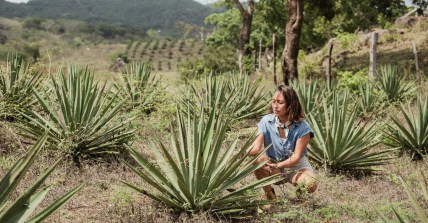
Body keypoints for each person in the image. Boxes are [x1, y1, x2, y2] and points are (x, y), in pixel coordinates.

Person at [248, 84, 317, 200]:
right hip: (273, 164)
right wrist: (242, 152)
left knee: (310, 184)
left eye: (280, 102)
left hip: (296, 166)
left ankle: (301, 195)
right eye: (273, 101)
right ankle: (269, 195)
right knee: (258, 159)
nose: (275, 106)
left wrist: (278, 165)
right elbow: (256, 148)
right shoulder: (266, 121)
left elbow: (295, 156)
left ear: (291, 105)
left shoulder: (303, 127)